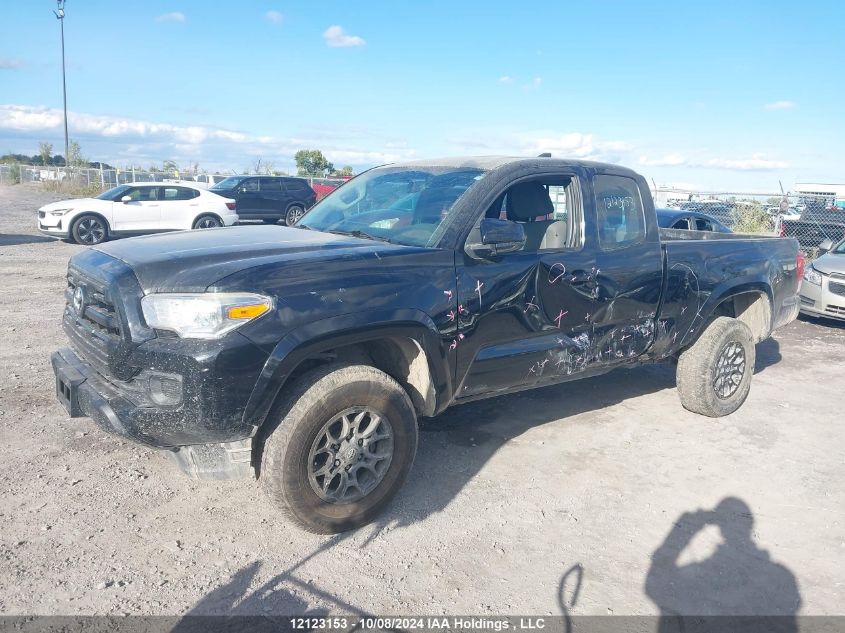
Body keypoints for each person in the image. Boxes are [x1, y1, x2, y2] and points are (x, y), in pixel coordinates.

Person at [646, 497, 800, 633]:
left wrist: (684, 529)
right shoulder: (781, 577)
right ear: (751, 524)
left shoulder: (697, 578)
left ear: (720, 529)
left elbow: (656, 585)